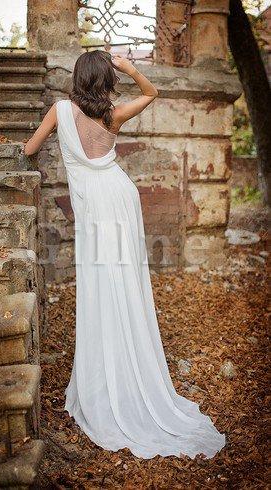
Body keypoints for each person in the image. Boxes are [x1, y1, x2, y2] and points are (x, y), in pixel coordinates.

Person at [25, 50, 225, 459]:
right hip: (119, 196)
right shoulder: (112, 115)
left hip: (95, 204)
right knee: (123, 280)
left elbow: (29, 150)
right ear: (105, 78)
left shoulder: (60, 110)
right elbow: (152, 93)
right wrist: (130, 68)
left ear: (79, 78)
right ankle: (125, 366)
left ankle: (107, 374)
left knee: (100, 283)